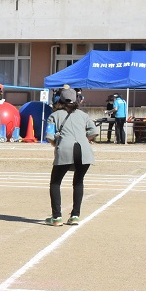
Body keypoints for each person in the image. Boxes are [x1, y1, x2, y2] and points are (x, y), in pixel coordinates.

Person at [45, 92, 97, 226]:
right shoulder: (83, 115)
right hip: (84, 151)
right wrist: (84, 140)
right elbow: (94, 132)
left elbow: (49, 136)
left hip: (65, 149)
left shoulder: (54, 115)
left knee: (55, 183)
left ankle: (56, 217)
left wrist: (57, 144)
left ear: (59, 101)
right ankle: (75, 216)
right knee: (78, 182)